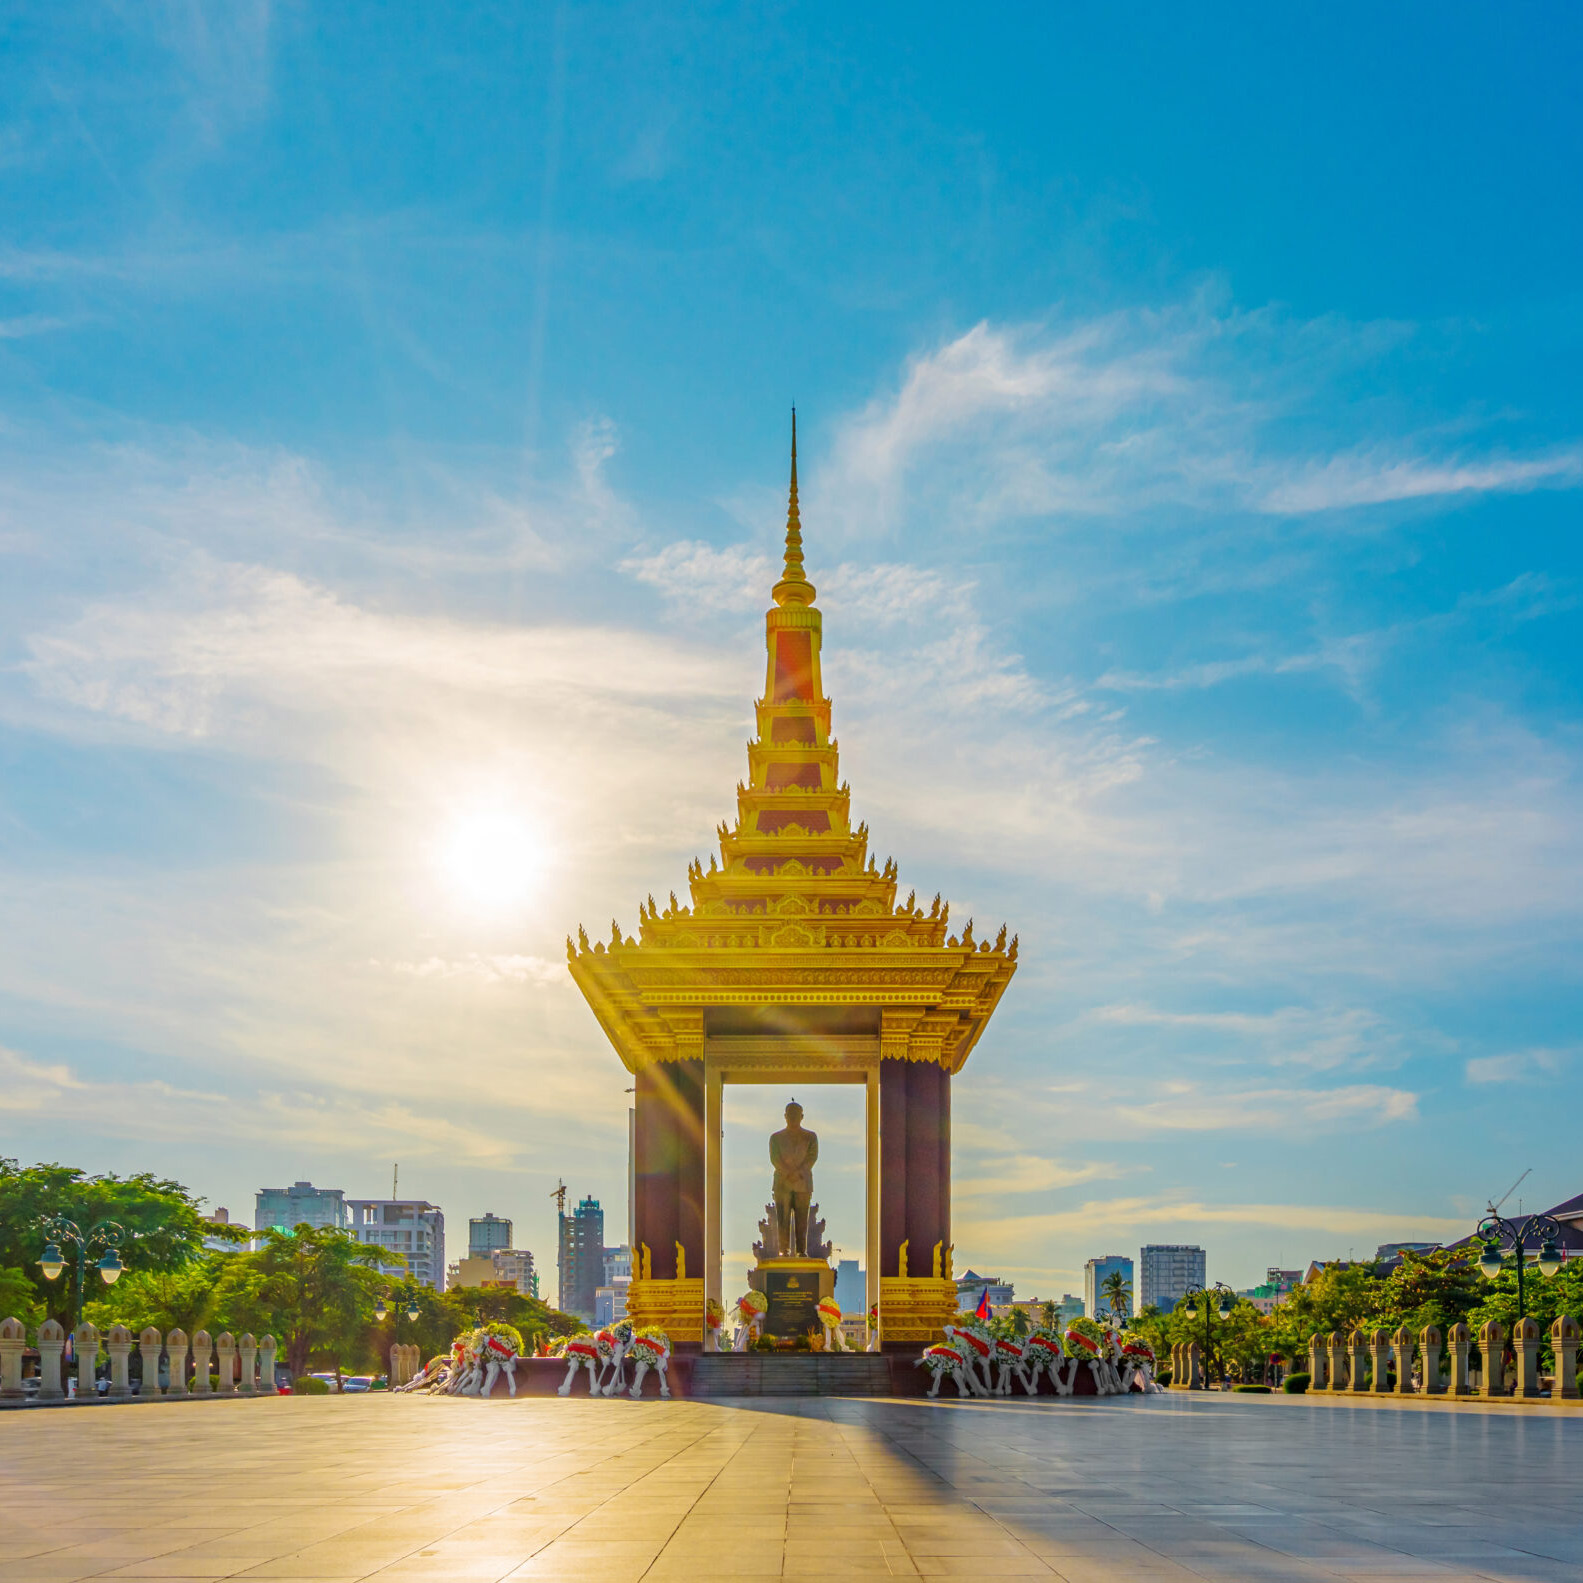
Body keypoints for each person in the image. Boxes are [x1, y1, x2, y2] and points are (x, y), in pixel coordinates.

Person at [769, 1100, 818, 1256]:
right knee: (782, 1219)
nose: (793, 1118)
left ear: (802, 1116)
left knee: (802, 1220)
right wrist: (787, 1172)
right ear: (785, 1116)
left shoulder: (810, 1137)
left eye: (796, 1115)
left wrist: (798, 1173)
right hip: (782, 1183)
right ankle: (783, 1249)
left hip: (802, 1183)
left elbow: (812, 1157)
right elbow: (775, 1159)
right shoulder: (776, 1138)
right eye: (790, 1115)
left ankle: (801, 1251)